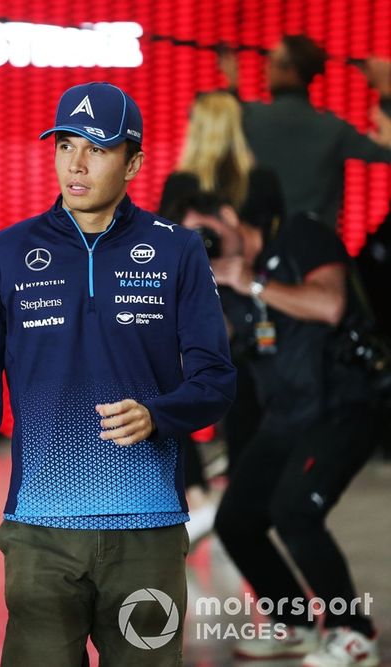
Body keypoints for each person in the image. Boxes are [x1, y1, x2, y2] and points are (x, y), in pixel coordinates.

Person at [0, 81, 236, 666]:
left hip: (148, 534)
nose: (75, 163)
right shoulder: (7, 252)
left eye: (97, 148)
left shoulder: (178, 250)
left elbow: (216, 382)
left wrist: (158, 414)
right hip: (39, 533)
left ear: (134, 163)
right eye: (64, 144)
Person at [180, 199, 381, 666]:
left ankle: (356, 631)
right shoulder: (221, 287)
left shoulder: (298, 236)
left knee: (294, 512)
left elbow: (330, 305)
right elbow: (204, 347)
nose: (205, 246)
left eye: (206, 233)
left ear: (229, 216)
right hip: (287, 417)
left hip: (342, 408)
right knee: (236, 521)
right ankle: (297, 624)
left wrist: (247, 278)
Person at [158, 90, 286, 541]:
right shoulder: (262, 181)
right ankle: (239, 504)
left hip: (198, 303)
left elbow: (162, 250)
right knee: (243, 400)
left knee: (169, 393)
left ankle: (200, 495)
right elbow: (273, 252)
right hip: (245, 307)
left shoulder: (180, 185)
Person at [221, 35, 391, 229]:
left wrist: (232, 89)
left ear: (292, 71)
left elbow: (217, 129)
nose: (265, 67)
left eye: (272, 61)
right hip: (315, 247)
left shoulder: (249, 117)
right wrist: (386, 90)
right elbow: (385, 150)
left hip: (257, 243)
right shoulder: (333, 128)